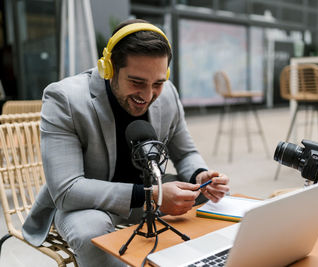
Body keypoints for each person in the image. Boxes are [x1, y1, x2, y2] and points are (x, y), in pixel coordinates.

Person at [22, 19, 230, 267]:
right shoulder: (64, 99)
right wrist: (150, 196)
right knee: (90, 231)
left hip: (151, 195)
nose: (147, 95)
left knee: (215, 204)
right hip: (89, 206)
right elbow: (67, 190)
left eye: (158, 83)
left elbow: (186, 154)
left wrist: (200, 175)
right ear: (109, 68)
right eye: (137, 82)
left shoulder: (169, 94)